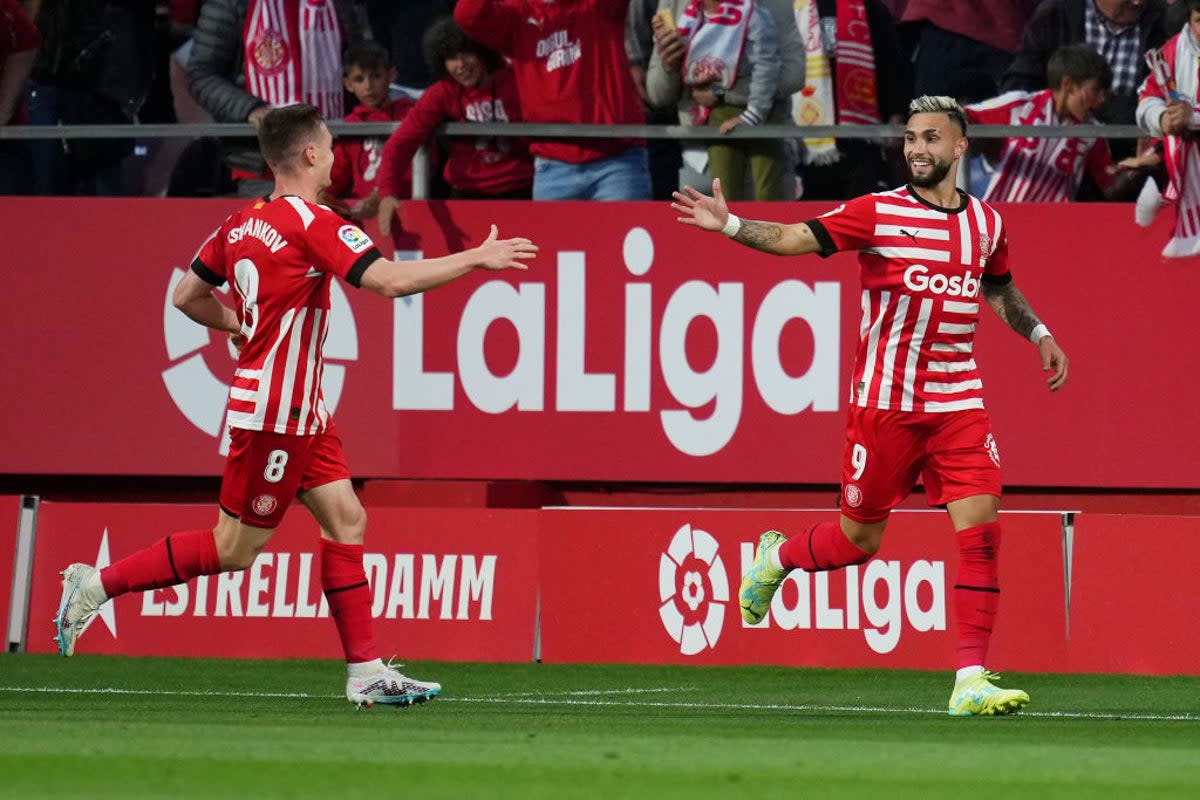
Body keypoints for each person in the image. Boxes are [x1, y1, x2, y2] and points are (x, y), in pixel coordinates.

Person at [53, 104, 538, 708]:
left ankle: (365, 672)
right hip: (276, 414)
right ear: (309, 154)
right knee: (235, 551)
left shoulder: (241, 221)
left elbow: (186, 294)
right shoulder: (316, 223)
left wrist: (238, 321)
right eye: (331, 146)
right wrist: (474, 260)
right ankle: (94, 584)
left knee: (347, 519)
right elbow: (386, 281)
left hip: (302, 408)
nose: (336, 156)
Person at [671, 95, 1069, 717]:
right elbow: (794, 237)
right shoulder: (878, 214)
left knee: (983, 531)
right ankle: (775, 557)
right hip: (884, 404)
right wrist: (729, 225)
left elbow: (999, 288)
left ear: (959, 146)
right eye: (910, 137)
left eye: (931, 138)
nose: (917, 148)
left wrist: (1039, 332)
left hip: (958, 401)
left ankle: (969, 677)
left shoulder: (987, 224)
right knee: (859, 541)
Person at [454, 0, 652, 201]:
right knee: (553, 234)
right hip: (552, 165)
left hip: (617, 163)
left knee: (617, 233)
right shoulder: (516, 13)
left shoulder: (598, 6)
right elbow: (469, 13)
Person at [376, 16, 533, 237]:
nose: (460, 65)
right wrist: (387, 192)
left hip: (519, 191)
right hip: (467, 195)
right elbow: (401, 143)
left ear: (483, 51)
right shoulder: (443, 92)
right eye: (450, 58)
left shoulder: (516, 82)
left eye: (466, 53)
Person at [965, 43, 1139, 202]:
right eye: (1095, 90)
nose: (1101, 99)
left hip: (1052, 227)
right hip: (1002, 218)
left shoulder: (1093, 135)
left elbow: (1109, 188)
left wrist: (1137, 166)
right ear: (1068, 84)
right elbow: (964, 116)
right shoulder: (1019, 105)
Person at [1001, 0, 1168, 163]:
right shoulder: (1056, 12)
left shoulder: (1164, 21)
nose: (1138, 2)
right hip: (1050, 150)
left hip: (1125, 157)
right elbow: (1019, 83)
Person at [650, 0, 785, 201]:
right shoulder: (689, 17)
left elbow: (768, 66)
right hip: (713, 116)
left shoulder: (752, 12)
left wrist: (752, 114)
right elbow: (661, 91)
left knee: (767, 196)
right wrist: (669, 56)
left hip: (760, 113)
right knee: (724, 197)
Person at [322, 41, 416, 222]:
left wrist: (380, 196)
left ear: (392, 75)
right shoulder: (350, 126)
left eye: (376, 76)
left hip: (407, 210)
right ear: (348, 84)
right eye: (359, 79)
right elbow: (336, 173)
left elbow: (419, 168)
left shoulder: (411, 115)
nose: (368, 86)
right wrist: (319, 194)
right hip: (361, 216)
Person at [1135, 0, 1200, 255]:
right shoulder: (1174, 49)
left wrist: (1192, 116)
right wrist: (1162, 118)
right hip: (1183, 158)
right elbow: (1146, 97)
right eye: (1199, 20)